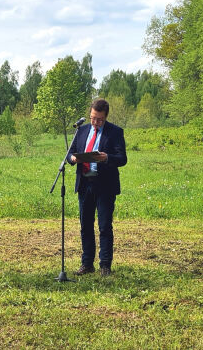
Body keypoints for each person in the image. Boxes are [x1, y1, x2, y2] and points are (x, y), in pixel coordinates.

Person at [67, 98, 127, 276]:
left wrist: (106, 157)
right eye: (93, 118)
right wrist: (73, 159)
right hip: (85, 184)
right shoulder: (82, 130)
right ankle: (87, 264)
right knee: (85, 225)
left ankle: (105, 266)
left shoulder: (115, 132)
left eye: (99, 119)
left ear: (106, 117)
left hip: (105, 186)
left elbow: (122, 158)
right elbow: (70, 153)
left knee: (104, 226)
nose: (95, 122)